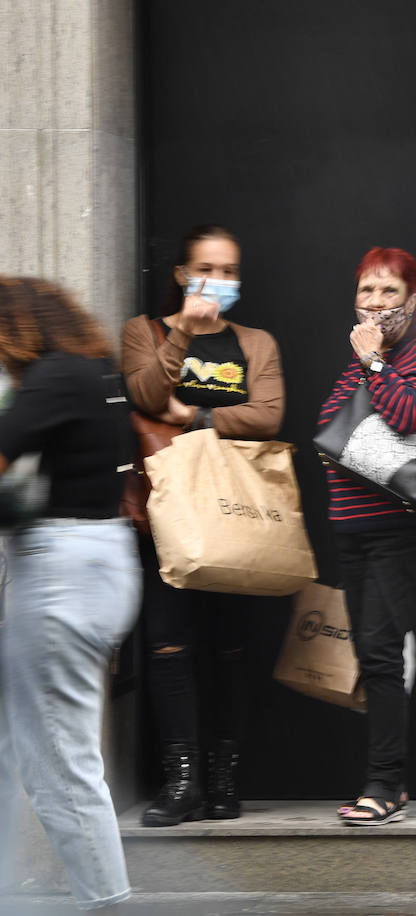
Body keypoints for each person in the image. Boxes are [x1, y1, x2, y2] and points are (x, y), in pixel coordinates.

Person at [121, 224, 284, 826]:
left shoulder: (256, 342)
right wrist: (183, 331)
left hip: (238, 513)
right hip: (169, 512)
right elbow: (142, 391)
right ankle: (181, 782)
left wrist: (192, 414)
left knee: (231, 649)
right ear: (183, 275)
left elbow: (269, 415)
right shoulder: (145, 331)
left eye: (229, 270)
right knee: (168, 646)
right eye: (207, 269)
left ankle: (222, 783)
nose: (218, 281)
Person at [0, 277, 140, 909]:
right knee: (20, 746)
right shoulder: (96, 371)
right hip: (97, 564)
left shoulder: (55, 377)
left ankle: (106, 903)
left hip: (61, 574)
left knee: (59, 761)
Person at [318, 246, 416, 825]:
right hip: (354, 527)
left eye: (388, 292)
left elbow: (407, 417)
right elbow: (336, 431)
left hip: (399, 528)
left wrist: (374, 363)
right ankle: (383, 781)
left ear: (412, 300)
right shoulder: (361, 357)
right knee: (373, 657)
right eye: (367, 291)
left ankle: (387, 785)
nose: (375, 303)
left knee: (379, 652)